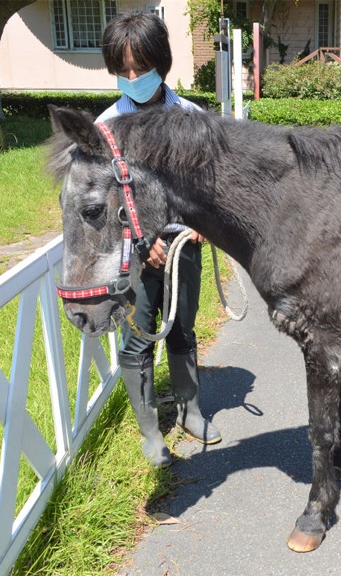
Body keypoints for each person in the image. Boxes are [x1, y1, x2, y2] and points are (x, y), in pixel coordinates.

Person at [97, 10, 221, 468]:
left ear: (161, 63)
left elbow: (209, 186)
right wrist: (141, 240)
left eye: (141, 68)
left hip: (185, 246)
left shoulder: (191, 118)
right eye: (123, 70)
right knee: (140, 337)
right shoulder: (106, 128)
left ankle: (190, 410)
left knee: (183, 330)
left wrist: (203, 223)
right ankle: (151, 431)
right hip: (137, 253)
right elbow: (102, 204)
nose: (132, 77)